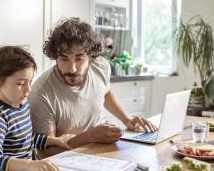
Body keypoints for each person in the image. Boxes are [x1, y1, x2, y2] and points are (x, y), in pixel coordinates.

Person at [29, 18, 157, 157]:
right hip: (64, 163)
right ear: (55, 56)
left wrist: (127, 119)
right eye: (64, 58)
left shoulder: (100, 66)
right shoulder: (41, 94)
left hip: (98, 152)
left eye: (79, 58)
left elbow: (105, 92)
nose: (72, 68)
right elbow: (47, 153)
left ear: (90, 56)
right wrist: (90, 136)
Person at [0, 46, 75, 171]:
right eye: (20, 83)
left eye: (30, 82)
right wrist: (29, 165)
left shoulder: (22, 106)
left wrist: (56, 141)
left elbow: (25, 139)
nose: (28, 90)